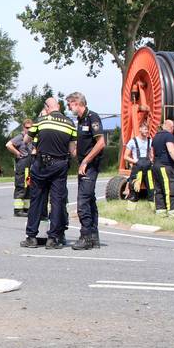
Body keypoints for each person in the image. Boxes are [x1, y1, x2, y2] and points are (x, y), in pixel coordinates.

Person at [21, 97, 76, 249]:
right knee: (57, 202)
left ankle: (31, 237)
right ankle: (53, 239)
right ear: (59, 107)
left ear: (46, 107)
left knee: (37, 200)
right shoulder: (70, 124)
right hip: (60, 166)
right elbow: (72, 151)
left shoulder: (41, 121)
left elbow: (26, 140)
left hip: (41, 165)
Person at [68, 92, 104, 250]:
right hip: (84, 165)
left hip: (90, 166)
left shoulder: (92, 117)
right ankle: (94, 236)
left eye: (70, 104)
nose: (69, 107)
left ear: (77, 103)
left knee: (82, 201)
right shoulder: (80, 120)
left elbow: (101, 143)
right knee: (90, 200)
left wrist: (85, 161)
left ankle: (86, 237)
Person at [151, 118, 174, 216]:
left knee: (159, 189)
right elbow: (171, 150)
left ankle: (160, 211)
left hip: (156, 166)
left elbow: (151, 153)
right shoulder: (169, 136)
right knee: (170, 189)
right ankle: (172, 212)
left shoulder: (155, 136)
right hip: (165, 166)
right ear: (171, 127)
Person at [6, 120, 35, 217]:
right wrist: (17, 153)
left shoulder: (32, 137)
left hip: (29, 165)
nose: (28, 129)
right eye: (27, 127)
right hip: (22, 165)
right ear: (23, 127)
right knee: (21, 185)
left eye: (30, 127)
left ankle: (26, 208)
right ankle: (18, 209)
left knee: (28, 185)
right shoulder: (21, 137)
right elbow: (8, 145)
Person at [124, 123, 152, 207]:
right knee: (134, 189)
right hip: (137, 168)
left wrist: (151, 160)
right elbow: (125, 156)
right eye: (145, 129)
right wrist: (135, 161)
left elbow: (151, 154)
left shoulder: (150, 141)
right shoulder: (132, 141)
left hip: (148, 169)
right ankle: (131, 209)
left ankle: (153, 209)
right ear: (140, 129)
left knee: (151, 189)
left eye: (147, 129)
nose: (146, 131)